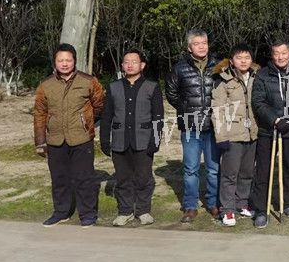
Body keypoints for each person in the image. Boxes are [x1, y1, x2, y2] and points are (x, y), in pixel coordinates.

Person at [34, 43, 105, 227]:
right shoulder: (46, 85)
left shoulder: (88, 81)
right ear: (55, 62)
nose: (64, 64)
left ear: (74, 61)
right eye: (60, 60)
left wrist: (86, 122)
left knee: (84, 178)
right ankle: (61, 212)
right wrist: (40, 141)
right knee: (59, 178)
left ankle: (87, 214)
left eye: (68, 60)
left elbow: (99, 105)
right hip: (55, 139)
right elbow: (40, 113)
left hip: (81, 138)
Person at [101, 49, 163, 227]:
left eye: (134, 62)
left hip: (143, 141)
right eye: (126, 62)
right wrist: (105, 139)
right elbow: (106, 116)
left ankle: (143, 210)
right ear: (122, 65)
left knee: (144, 178)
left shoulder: (152, 87)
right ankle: (125, 211)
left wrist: (155, 140)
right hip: (119, 141)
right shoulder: (113, 87)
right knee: (122, 178)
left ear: (142, 65)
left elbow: (158, 117)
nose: (130, 65)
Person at [249, 40, 289, 229]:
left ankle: (287, 202)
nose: (280, 57)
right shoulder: (263, 75)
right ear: (272, 55)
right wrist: (275, 120)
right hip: (268, 130)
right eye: (276, 53)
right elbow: (258, 102)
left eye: (284, 53)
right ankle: (261, 209)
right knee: (263, 170)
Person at [165, 29, 220, 223]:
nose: (201, 47)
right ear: (189, 47)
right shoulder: (179, 68)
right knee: (190, 169)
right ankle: (190, 206)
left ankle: (213, 203)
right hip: (190, 127)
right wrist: (185, 107)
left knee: (214, 168)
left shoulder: (218, 66)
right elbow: (171, 92)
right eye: (196, 44)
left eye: (204, 43)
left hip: (214, 126)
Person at [211, 44, 260, 227]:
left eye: (247, 57)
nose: (243, 61)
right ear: (231, 61)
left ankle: (242, 203)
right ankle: (227, 209)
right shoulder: (223, 80)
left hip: (252, 134)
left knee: (247, 173)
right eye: (239, 58)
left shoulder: (257, 77)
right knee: (230, 174)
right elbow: (218, 110)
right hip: (232, 135)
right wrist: (221, 137)